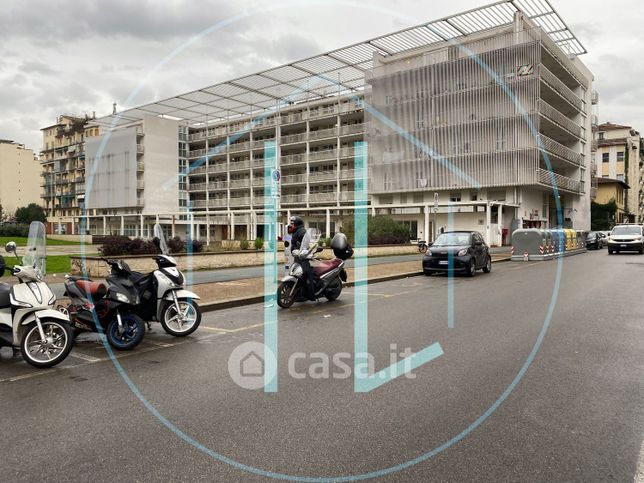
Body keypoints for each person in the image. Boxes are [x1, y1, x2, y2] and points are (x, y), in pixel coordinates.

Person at [287, 215, 316, 301]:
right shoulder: (295, 231)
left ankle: (311, 295)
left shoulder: (302, 232)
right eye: (291, 223)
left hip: (303, 257)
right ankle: (300, 294)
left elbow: (305, 244)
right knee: (297, 274)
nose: (291, 225)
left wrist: (303, 251)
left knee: (306, 275)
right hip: (298, 257)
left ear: (297, 224)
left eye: (293, 223)